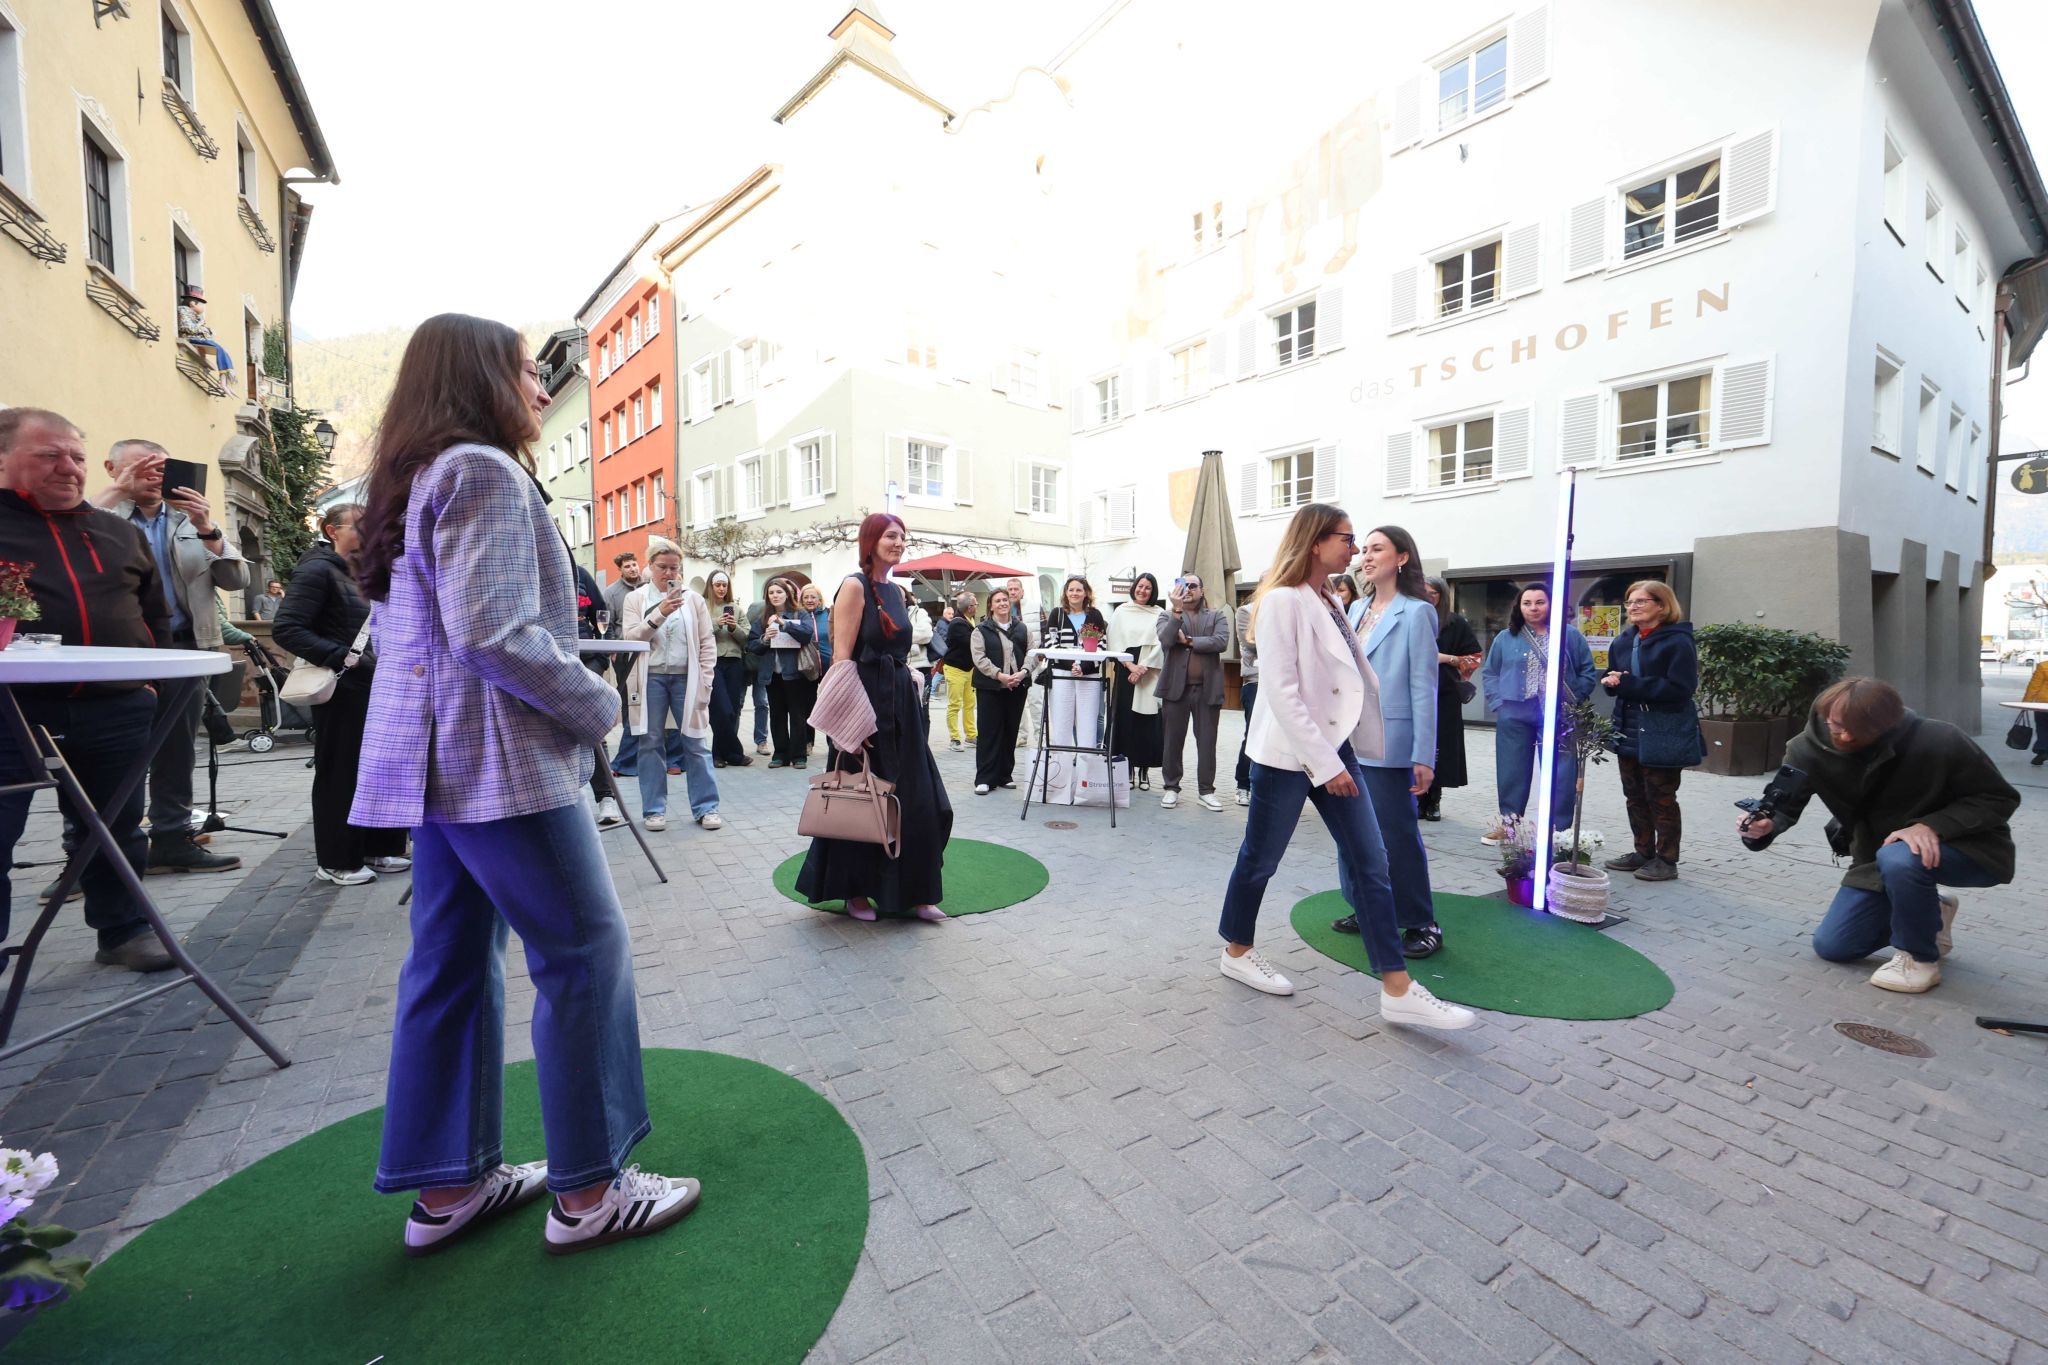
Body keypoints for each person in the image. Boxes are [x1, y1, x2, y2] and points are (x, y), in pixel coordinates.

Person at [351, 314, 698, 1255]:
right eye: (525, 373)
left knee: (449, 962)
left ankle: (448, 1183)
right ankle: (591, 1191)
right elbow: (496, 632)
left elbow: (426, 633)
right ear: (477, 380)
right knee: (584, 954)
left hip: (436, 763)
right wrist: (597, 703)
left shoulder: (418, 475)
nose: (543, 389)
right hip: (501, 763)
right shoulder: (483, 471)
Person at [1214, 502, 1474, 1029]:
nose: (1355, 549)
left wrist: (1358, 753)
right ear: (1315, 541)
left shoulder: (1329, 596)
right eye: (1346, 538)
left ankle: (1397, 987)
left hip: (1340, 750)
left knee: (1371, 861)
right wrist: (1325, 763)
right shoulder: (1283, 599)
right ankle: (1237, 951)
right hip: (1291, 754)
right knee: (1261, 858)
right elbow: (1281, 691)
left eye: (1358, 541)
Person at [0, 408, 174, 972]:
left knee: (117, 825)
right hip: (11, 712)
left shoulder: (115, 530)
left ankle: (123, 930)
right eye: (49, 454)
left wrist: (152, 683)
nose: (68, 467)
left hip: (116, 708)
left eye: (75, 455)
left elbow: (155, 616)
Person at [1737, 677, 2017, 993]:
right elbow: (1782, 807)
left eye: (1857, 730)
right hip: (1878, 857)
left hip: (1964, 845)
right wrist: (1763, 826)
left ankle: (1918, 960)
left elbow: (1999, 798)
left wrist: (1932, 826)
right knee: (1834, 947)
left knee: (1901, 856)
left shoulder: (1939, 739)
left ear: (1886, 725)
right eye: (1836, 726)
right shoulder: (1805, 750)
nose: (1844, 735)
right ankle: (1929, 907)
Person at [95, 440, 246, 875]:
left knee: (177, 749)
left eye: (162, 467)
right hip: (120, 653)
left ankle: (172, 838)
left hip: (184, 647)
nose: (155, 475)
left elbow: (236, 579)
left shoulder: (188, 520)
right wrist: (117, 493)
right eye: (142, 466)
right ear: (112, 468)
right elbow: (72, 536)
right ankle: (93, 853)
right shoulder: (103, 515)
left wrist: (207, 527)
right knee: (111, 750)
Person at [795, 513, 953, 922]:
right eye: (890, 536)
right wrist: (851, 724)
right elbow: (842, 658)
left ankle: (918, 893)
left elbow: (899, 652)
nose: (898, 542)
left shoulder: (897, 591)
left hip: (901, 706)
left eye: (902, 536)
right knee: (864, 800)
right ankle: (856, 893)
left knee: (917, 800)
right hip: (863, 706)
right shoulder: (853, 586)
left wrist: (911, 678)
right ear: (870, 540)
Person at [272, 503, 412, 885]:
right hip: (342, 687)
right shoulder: (317, 570)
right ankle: (337, 859)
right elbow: (287, 628)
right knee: (340, 772)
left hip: (377, 684)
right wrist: (342, 658)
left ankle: (379, 846)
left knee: (380, 769)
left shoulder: (369, 572)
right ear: (333, 531)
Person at [1332, 527, 1443, 958]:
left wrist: (1424, 754)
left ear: (1401, 558)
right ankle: (1364, 906)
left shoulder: (1417, 612)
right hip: (1347, 738)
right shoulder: (1356, 607)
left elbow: (1424, 686)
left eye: (1378, 548)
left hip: (1392, 741)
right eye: (1366, 549)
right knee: (1350, 833)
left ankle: (1421, 921)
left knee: (1395, 835)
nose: (1366, 555)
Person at [1479, 582, 1596, 843]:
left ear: (1551, 604)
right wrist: (1498, 703)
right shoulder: (1505, 637)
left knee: (1561, 771)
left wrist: (1575, 700)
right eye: (1527, 603)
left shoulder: (1570, 635)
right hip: (1514, 711)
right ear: (1519, 607)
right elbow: (1490, 673)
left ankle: (1559, 828)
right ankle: (1509, 824)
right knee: (1511, 769)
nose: (1533, 608)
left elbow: (1588, 672)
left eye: (1540, 602)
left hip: (1559, 712)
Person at [1600, 581, 1699, 882]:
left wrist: (1629, 684)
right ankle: (1642, 852)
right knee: (1634, 795)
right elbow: (1616, 674)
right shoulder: (1623, 640)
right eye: (1630, 601)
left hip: (1663, 729)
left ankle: (1667, 860)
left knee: (1662, 796)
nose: (1633, 606)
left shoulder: (1677, 642)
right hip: (1628, 728)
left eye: (1641, 601)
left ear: (1662, 605)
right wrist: (1611, 680)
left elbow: (1681, 688)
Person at [624, 540, 722, 831]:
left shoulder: (694, 600)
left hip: (686, 678)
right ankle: (654, 810)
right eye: (662, 567)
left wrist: (706, 681)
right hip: (650, 677)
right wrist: (660, 613)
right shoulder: (636, 599)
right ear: (650, 567)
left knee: (696, 741)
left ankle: (707, 807)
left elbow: (707, 643)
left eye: (674, 568)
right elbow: (631, 638)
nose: (668, 573)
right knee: (650, 743)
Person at [1155, 572, 1229, 811]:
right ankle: (1171, 788)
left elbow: (1221, 642)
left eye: (1193, 586)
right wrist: (1176, 612)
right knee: (1172, 742)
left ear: (1202, 590)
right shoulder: (1166, 615)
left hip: (1207, 690)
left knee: (1207, 742)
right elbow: (1166, 641)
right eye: (1182, 585)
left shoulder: (1217, 615)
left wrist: (1187, 641)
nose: (1188, 589)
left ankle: (1206, 791)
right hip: (1175, 689)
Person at [1419, 577, 1480, 822]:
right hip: (1415, 693)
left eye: (1433, 593)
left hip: (1444, 696)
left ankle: (1434, 800)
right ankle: (1416, 798)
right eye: (1423, 592)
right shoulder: (1413, 618)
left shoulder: (1455, 623)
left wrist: (1446, 658)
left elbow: (1474, 658)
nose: (1428, 597)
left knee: (1441, 749)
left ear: (1442, 595)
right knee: (1417, 746)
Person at [749, 577, 822, 770]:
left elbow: (807, 634)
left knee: (797, 715)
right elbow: (752, 645)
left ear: (787, 594)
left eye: (779, 592)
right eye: (771, 592)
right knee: (777, 715)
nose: (775, 596)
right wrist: (765, 639)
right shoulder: (762, 618)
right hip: (772, 675)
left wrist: (785, 624)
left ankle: (798, 756)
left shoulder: (800, 613)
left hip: (795, 673)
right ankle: (780, 754)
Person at [1107, 573, 1166, 790]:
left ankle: (1144, 771)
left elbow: (1162, 642)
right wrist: (1131, 666)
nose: (1143, 590)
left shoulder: (1160, 613)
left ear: (1153, 591)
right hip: (1126, 669)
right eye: (1140, 586)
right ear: (1134, 588)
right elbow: (1114, 640)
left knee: (1147, 721)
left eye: (1148, 588)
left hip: (1150, 670)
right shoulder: (1122, 611)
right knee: (1127, 719)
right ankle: (1129, 768)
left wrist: (1144, 667)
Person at [970, 586, 1031, 794]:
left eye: (1005, 600)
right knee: (989, 731)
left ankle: (1005, 774)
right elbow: (979, 658)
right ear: (991, 606)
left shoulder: (1022, 628)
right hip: (990, 687)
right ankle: (985, 777)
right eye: (998, 601)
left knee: (1010, 730)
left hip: (1017, 686)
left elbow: (1032, 653)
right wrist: (1000, 675)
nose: (1003, 603)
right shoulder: (981, 630)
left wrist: (1023, 672)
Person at [1040, 576, 1108, 750]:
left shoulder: (1094, 615)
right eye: (1071, 590)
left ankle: (1086, 771)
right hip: (1062, 674)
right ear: (1065, 592)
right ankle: (1061, 770)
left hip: (1088, 675)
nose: (1074, 593)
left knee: (1088, 725)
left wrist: (1083, 667)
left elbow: (1101, 645)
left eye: (1078, 590)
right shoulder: (1057, 614)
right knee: (1062, 724)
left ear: (1086, 593)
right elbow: (1050, 644)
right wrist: (1072, 664)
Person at [703, 570, 753, 768]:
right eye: (718, 585)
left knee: (732, 710)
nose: (722, 588)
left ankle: (719, 755)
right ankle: (735, 754)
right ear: (711, 586)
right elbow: (697, 632)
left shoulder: (736, 609)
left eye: (725, 585)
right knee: (721, 709)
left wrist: (733, 628)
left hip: (733, 662)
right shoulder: (702, 606)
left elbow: (746, 637)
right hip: (711, 662)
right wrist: (716, 624)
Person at [797, 582, 833, 758]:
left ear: (819, 599)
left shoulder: (828, 615)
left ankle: (832, 743)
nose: (810, 600)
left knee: (830, 706)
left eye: (813, 597)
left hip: (828, 667)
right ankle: (807, 743)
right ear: (801, 600)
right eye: (806, 597)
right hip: (807, 667)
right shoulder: (798, 617)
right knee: (807, 707)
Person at [941, 592, 979, 752]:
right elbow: (971, 642)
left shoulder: (969, 619)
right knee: (955, 705)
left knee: (970, 704)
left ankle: (971, 735)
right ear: (969, 607)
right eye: (976, 604)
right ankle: (954, 738)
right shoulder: (957, 623)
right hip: (955, 669)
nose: (977, 606)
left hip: (968, 669)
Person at [1004, 576, 1039, 750]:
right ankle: (1020, 735)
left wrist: (1040, 655)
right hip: (1012, 663)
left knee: (1035, 700)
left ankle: (1041, 736)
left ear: (1022, 591)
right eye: (1009, 589)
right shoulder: (1003, 609)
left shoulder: (1034, 607)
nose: (1012, 592)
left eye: (1015, 589)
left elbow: (1045, 629)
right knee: (1016, 702)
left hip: (1034, 661)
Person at [1232, 598, 1259, 807]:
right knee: (1253, 734)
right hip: (1256, 680)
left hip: (1284, 680)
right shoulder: (1246, 611)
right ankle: (1243, 785)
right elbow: (1251, 642)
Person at [176, 285, 235, 377]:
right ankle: (225, 375)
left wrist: (206, 330)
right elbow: (189, 328)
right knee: (218, 348)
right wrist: (201, 325)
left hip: (197, 339)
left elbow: (203, 332)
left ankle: (226, 374)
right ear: (192, 303)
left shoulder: (197, 317)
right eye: (201, 303)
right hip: (189, 338)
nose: (203, 306)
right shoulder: (184, 311)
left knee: (222, 349)